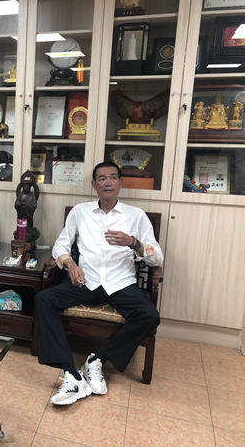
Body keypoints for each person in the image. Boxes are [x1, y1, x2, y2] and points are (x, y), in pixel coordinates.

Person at [35, 161, 163, 406]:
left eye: (113, 177)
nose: (108, 182)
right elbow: (60, 245)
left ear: (120, 183)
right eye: (102, 179)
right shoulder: (80, 212)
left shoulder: (136, 216)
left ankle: (97, 360)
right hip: (87, 281)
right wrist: (70, 264)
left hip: (120, 284)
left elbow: (157, 257)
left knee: (150, 316)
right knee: (43, 299)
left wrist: (133, 242)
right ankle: (72, 374)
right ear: (94, 185)